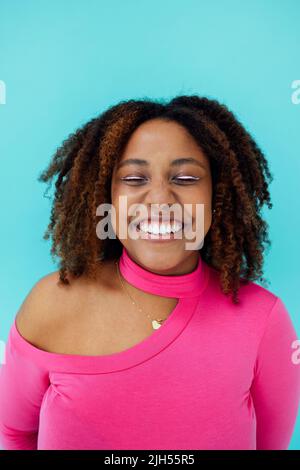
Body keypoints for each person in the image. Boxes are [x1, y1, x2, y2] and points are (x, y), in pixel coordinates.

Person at [0, 95, 299, 450]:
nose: (159, 199)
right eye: (134, 178)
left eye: (186, 178)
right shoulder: (52, 303)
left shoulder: (263, 319)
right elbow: (13, 433)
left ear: (216, 196)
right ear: (105, 196)